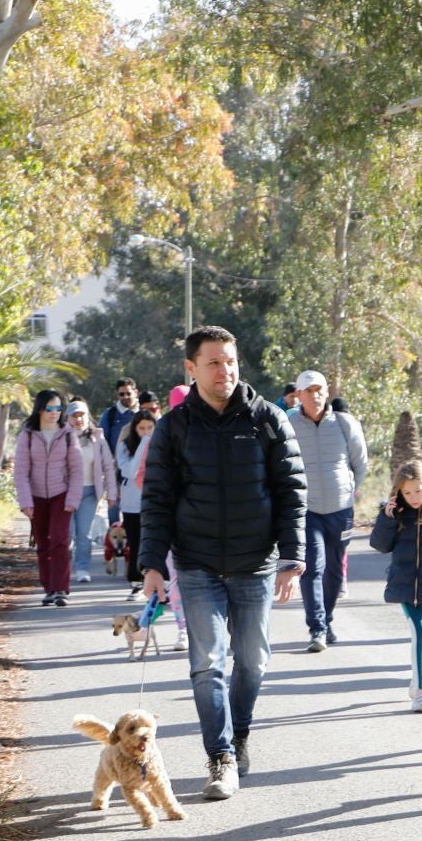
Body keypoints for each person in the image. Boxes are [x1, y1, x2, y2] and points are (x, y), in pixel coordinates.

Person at [140, 326, 306, 801]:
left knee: (253, 661)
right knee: (208, 663)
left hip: (256, 563)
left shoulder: (268, 419)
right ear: (191, 369)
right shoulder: (175, 426)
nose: (225, 370)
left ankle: (240, 732)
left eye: (230, 361)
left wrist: (292, 556)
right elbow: (157, 500)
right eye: (213, 362)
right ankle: (221, 756)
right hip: (196, 565)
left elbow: (292, 492)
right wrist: (152, 564)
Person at [287, 370, 368, 652]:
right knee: (313, 567)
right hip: (307, 510)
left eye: (320, 389)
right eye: (309, 390)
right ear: (299, 395)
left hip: (341, 509)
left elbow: (360, 464)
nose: (316, 394)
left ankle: (328, 619)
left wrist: (347, 489)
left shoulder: (345, 423)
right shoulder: (289, 423)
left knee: (335, 569)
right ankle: (317, 628)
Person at [369, 461, 422, 714]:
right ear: (399, 493)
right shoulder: (396, 515)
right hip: (404, 584)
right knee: (420, 633)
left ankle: (418, 681)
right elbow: (381, 545)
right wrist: (387, 518)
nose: (413, 497)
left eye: (418, 490)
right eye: (407, 492)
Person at [14, 389, 84, 607]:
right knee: (42, 542)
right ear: (40, 409)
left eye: (58, 408)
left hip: (60, 494)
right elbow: (21, 471)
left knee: (60, 540)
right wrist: (25, 502)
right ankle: (48, 587)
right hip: (35, 497)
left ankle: (61, 587)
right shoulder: (27, 434)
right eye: (49, 408)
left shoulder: (68, 434)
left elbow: (76, 469)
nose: (54, 413)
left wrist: (72, 499)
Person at [66, 400, 119, 585]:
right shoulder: (62, 437)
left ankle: (82, 567)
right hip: (66, 493)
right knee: (67, 533)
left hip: (89, 492)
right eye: (74, 416)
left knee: (84, 533)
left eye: (82, 415)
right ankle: (63, 568)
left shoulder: (97, 437)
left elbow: (108, 466)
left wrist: (111, 494)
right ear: (68, 418)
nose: (79, 419)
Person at [116, 411, 156, 596]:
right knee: (136, 542)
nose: (146, 432)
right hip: (132, 503)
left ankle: (155, 578)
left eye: (150, 428)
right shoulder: (125, 446)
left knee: (153, 542)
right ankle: (136, 580)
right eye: (141, 428)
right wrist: (143, 445)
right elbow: (131, 471)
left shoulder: (163, 445)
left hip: (155, 502)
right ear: (134, 428)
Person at [99, 377, 139, 454]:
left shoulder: (144, 412)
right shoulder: (110, 414)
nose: (125, 397)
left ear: (136, 393)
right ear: (117, 395)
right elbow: (102, 442)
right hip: (116, 463)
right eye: (122, 394)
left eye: (128, 393)